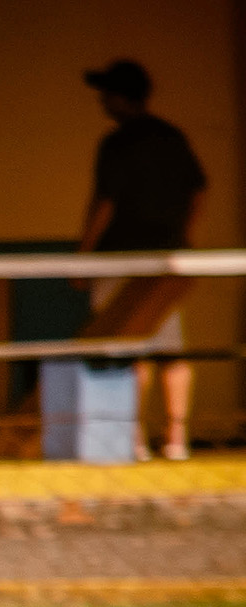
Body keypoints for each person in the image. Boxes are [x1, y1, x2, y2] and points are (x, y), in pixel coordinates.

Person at [77, 59, 208, 462]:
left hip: (121, 258)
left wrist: (83, 256)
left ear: (121, 97)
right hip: (166, 258)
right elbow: (199, 190)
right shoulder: (172, 137)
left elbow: (104, 202)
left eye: (106, 94)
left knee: (128, 350)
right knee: (170, 350)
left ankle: (133, 439)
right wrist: (183, 235)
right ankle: (176, 438)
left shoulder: (117, 143)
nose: (102, 101)